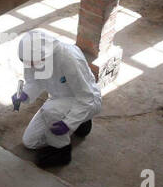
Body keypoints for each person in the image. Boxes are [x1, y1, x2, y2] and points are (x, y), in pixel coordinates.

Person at [11, 29, 102, 169]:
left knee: (51, 111)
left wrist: (69, 123)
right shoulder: (33, 57)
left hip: (86, 100)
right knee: (30, 142)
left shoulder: (68, 58)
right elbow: (34, 81)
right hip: (58, 100)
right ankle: (81, 122)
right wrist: (25, 93)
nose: (31, 66)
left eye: (32, 62)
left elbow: (86, 96)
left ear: (44, 53)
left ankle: (62, 151)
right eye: (28, 63)